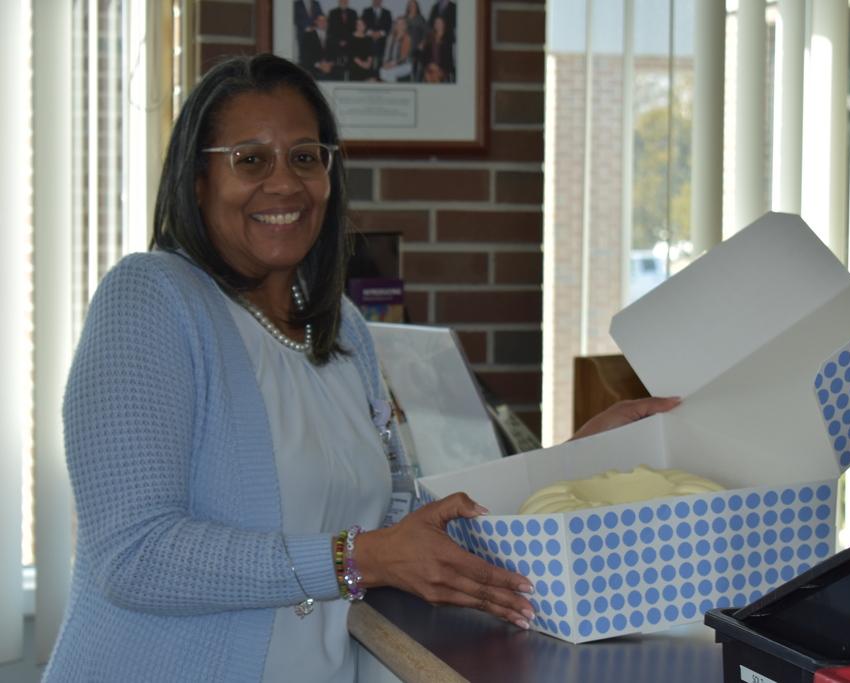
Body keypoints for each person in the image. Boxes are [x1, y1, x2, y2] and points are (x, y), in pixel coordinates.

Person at [41, 54, 678, 682]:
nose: (284, 182)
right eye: (250, 159)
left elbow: (402, 523)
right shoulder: (152, 299)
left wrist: (571, 463)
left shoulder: (344, 329)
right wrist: (356, 559)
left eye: (305, 157)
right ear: (198, 180)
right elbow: (133, 556)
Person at [299, 13, 344, 80]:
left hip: (329, 67)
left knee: (339, 73)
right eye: (320, 20)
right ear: (315, 21)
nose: (322, 23)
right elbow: (305, 54)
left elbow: (335, 53)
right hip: (314, 67)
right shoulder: (309, 36)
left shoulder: (332, 36)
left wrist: (329, 64)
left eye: (324, 21)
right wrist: (318, 65)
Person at [378, 16, 413, 83]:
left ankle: (392, 91)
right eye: (397, 24)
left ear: (404, 26)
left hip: (404, 64)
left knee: (390, 73)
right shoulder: (391, 38)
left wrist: (394, 64)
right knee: (382, 71)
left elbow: (405, 56)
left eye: (401, 24)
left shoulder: (407, 38)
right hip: (391, 63)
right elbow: (386, 54)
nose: (398, 26)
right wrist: (385, 63)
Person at [360, 0, 392, 70]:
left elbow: (389, 26)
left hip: (382, 43)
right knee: (368, 62)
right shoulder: (366, 11)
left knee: (380, 64)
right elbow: (363, 24)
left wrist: (381, 33)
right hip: (369, 41)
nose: (377, 1)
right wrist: (370, 33)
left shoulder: (387, 12)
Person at [422, 15, 454, 83]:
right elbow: (425, 55)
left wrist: (438, 67)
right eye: (436, 23)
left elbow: (448, 58)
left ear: (443, 25)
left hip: (442, 67)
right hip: (429, 66)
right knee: (427, 75)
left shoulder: (447, 39)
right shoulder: (430, 38)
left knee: (434, 76)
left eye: (439, 23)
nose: (437, 25)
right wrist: (429, 64)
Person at [346, 17, 376, 82]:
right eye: (357, 24)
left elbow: (371, 53)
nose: (359, 27)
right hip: (355, 65)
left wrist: (368, 64)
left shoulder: (369, 39)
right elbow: (352, 54)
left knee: (372, 78)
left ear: (365, 26)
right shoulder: (350, 38)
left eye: (361, 24)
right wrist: (362, 64)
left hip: (367, 64)